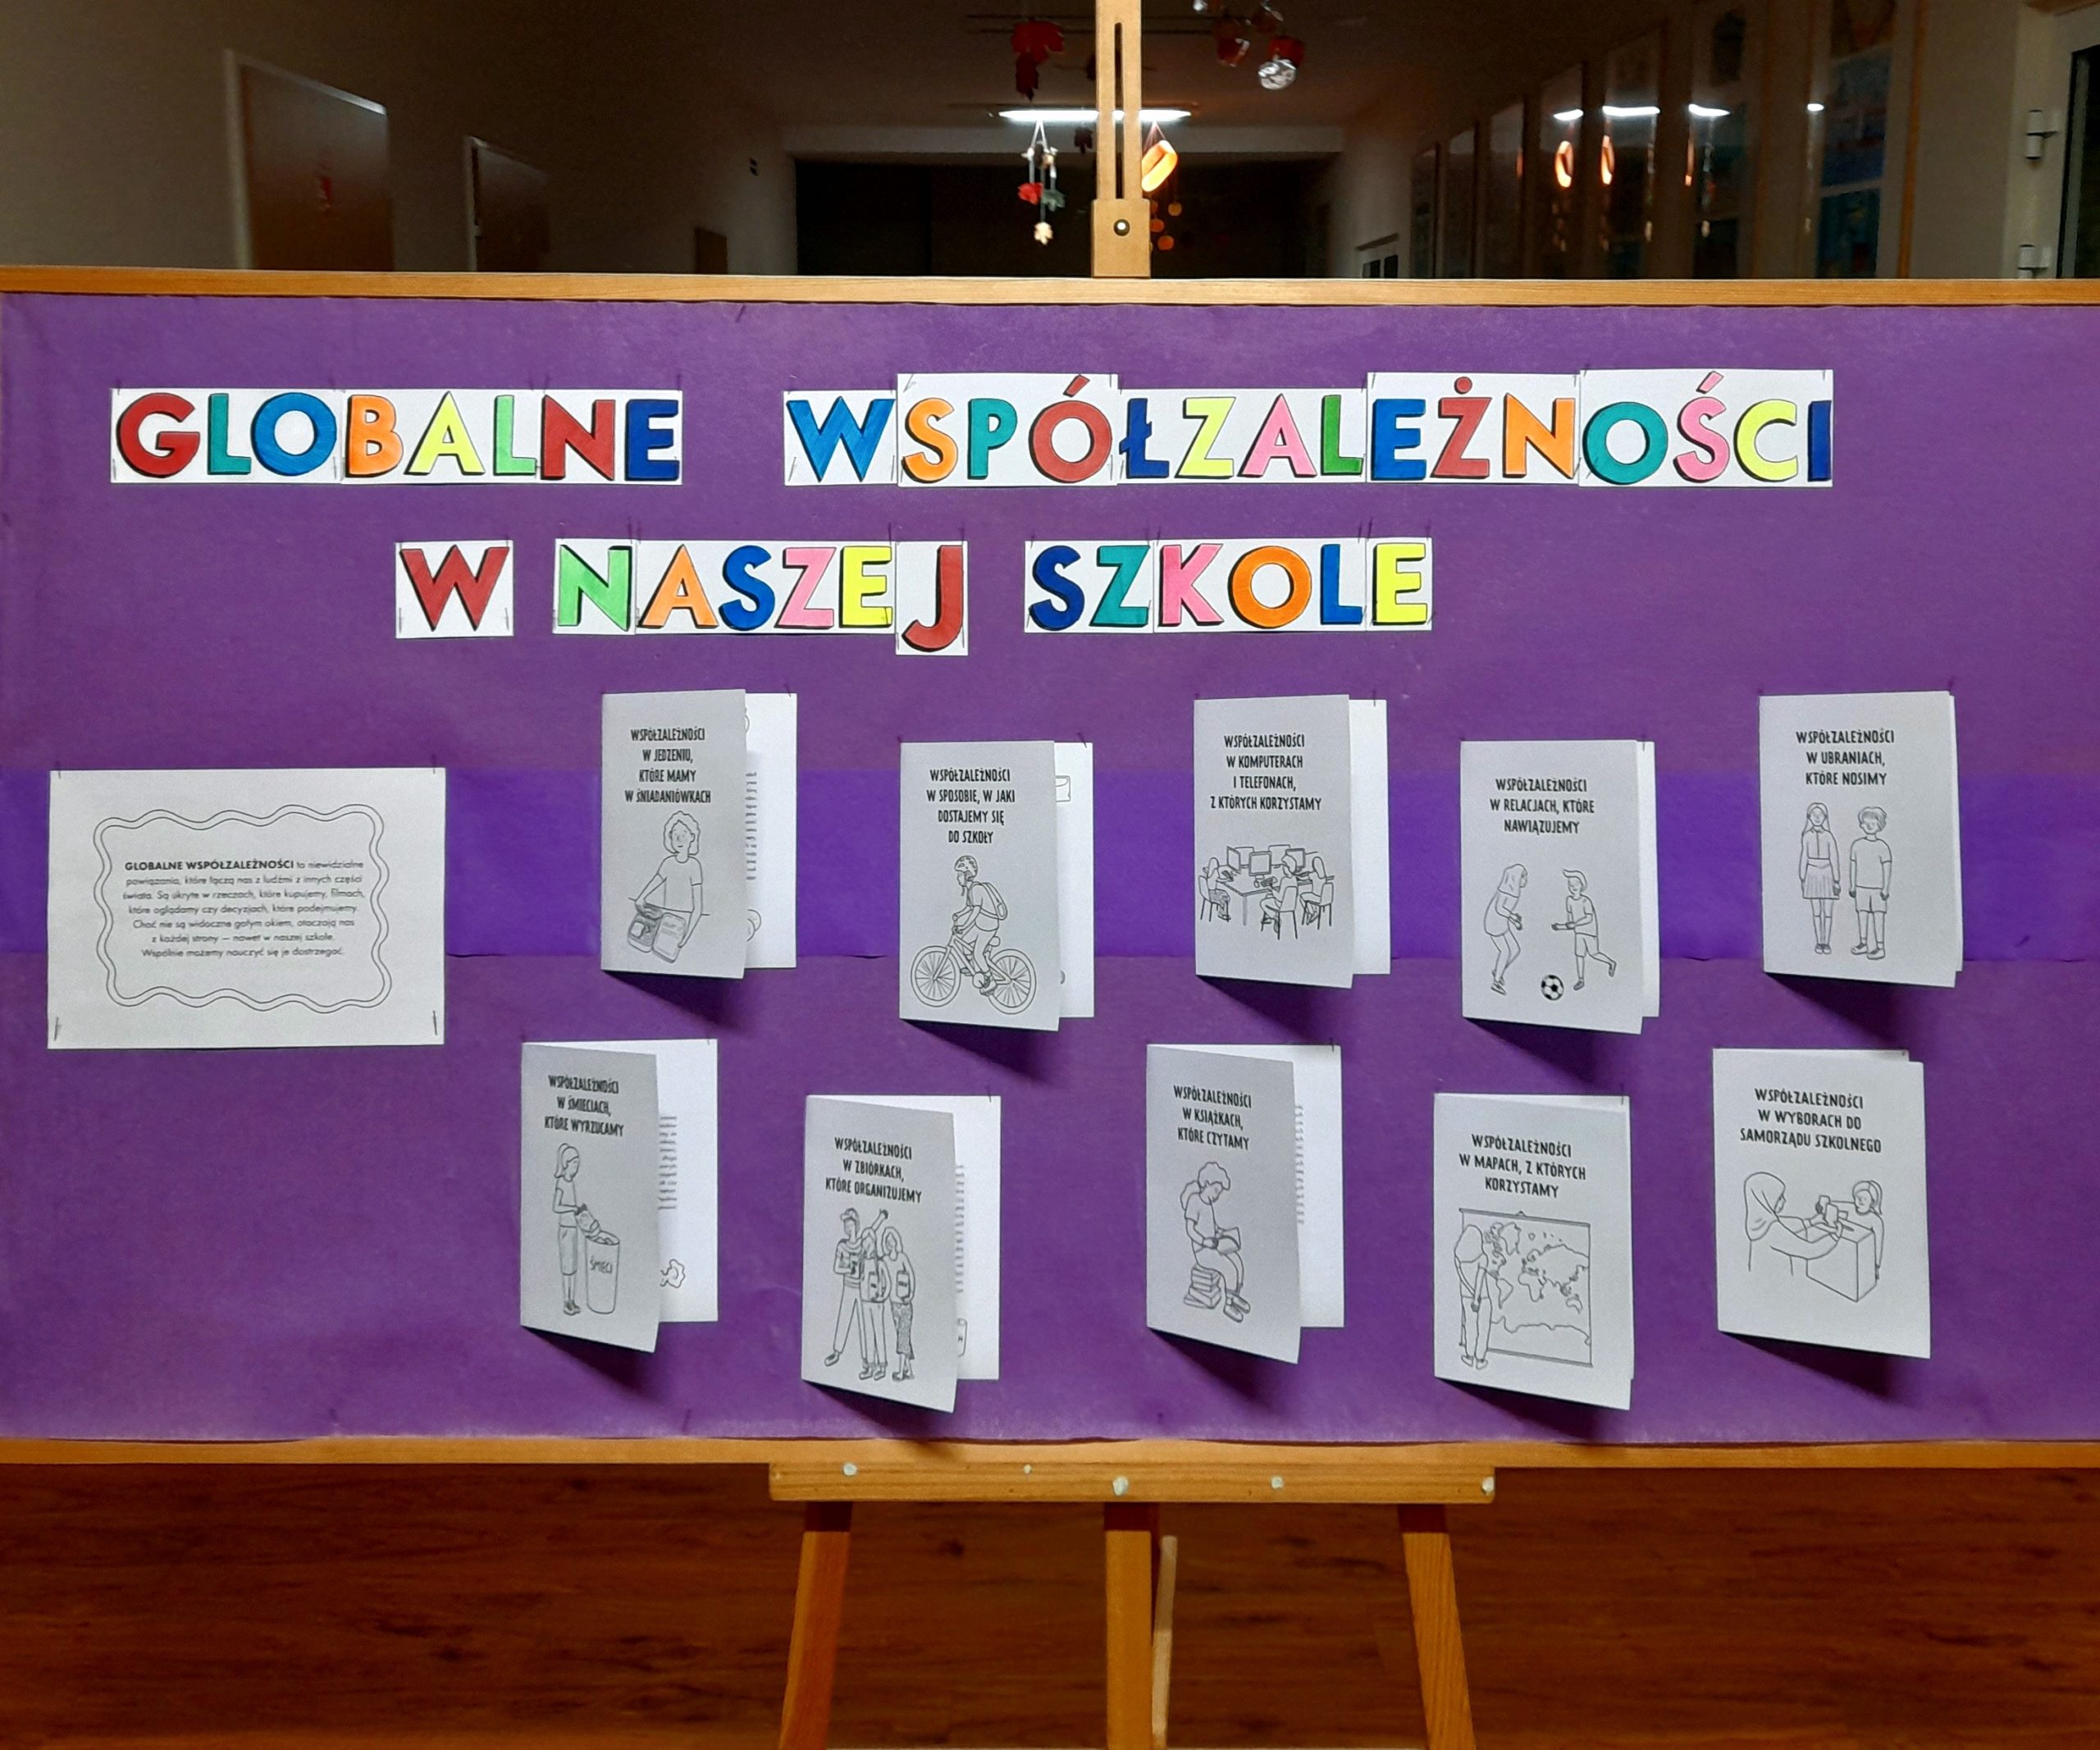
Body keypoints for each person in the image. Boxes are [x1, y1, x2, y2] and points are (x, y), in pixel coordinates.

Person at [1181, 1160, 1249, 1321]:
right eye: (1216, 1190)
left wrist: (1220, 1232)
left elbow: (1210, 1225)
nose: (1217, 1195)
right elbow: (1190, 1229)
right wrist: (1204, 1241)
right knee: (1229, 1269)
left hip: (1213, 1245)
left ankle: (1235, 1295)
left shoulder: (1208, 1204)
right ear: (1207, 1183)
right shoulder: (1194, 1201)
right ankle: (1228, 1305)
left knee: (1237, 1261)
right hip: (1203, 1251)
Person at [634, 811, 705, 957]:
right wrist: (640, 898)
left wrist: (687, 935)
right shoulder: (668, 862)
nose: (679, 838)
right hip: (664, 920)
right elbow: (656, 881)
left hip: (682, 923)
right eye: (675, 834)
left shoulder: (694, 866)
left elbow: (698, 908)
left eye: (684, 833)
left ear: (692, 837)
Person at [1742, 1172, 1840, 1276]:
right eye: (1779, 1198)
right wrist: (1834, 1237)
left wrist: (1811, 1222)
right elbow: (1808, 1250)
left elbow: (1788, 1224)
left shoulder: (1760, 1224)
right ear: (1765, 1199)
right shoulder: (1773, 1230)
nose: (1784, 1201)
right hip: (1776, 1280)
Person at [950, 855, 1009, 994]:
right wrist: (958, 915)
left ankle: (990, 980)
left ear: (967, 875)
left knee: (977, 953)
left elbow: (976, 911)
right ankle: (972, 966)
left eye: (960, 874)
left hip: (988, 926)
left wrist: (964, 926)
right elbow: (968, 908)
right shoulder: (970, 890)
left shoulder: (976, 889)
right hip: (981, 924)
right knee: (964, 940)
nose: (958, 878)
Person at [1551, 870, 1617, 989]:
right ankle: (1581, 980)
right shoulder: (1569, 900)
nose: (1573, 887)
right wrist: (1560, 927)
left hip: (1589, 931)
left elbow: (1589, 918)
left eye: (1576, 884)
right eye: (1571, 884)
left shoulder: (1586, 901)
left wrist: (1575, 924)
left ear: (1582, 885)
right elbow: (1570, 922)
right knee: (1579, 955)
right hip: (1578, 932)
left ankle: (1611, 963)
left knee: (1594, 953)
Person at [1848, 806, 1892, 960]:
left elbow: (1887, 868)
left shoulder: (1883, 847)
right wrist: (1852, 885)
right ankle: (1863, 943)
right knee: (1862, 915)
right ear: (1861, 825)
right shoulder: (1857, 845)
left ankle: (1880, 947)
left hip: (1878, 889)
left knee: (1878, 916)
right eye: (1866, 823)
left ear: (1879, 825)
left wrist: (1886, 888)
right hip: (1861, 887)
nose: (1869, 826)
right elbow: (1853, 866)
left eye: (1873, 823)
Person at [824, 1210, 866, 1366]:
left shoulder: (862, 1244)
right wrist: (848, 1269)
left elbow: (871, 1233)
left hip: (863, 1288)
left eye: (851, 1224)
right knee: (844, 1318)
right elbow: (836, 1267)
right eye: (846, 1225)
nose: (848, 1228)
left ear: (856, 1225)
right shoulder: (842, 1246)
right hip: (848, 1286)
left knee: (864, 1323)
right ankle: (837, 1352)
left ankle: (866, 1358)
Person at [1798, 802, 1840, 954]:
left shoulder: (1829, 836)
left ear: (1825, 817)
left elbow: (1834, 858)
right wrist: (1802, 877)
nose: (1817, 818)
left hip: (1827, 873)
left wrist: (1837, 879)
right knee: (1816, 912)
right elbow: (1804, 856)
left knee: (1828, 912)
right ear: (1809, 817)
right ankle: (1819, 942)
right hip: (1812, 873)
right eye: (1814, 815)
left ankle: (1826, 942)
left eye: (1820, 815)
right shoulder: (1807, 836)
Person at [1483, 864, 1527, 995]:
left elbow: (1506, 910)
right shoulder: (1506, 890)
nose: (1525, 880)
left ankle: (1498, 971)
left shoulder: (1514, 892)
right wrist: (1513, 916)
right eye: (1523, 877)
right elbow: (1500, 908)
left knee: (1515, 949)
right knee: (1505, 951)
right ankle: (1496, 983)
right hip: (1494, 924)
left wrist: (1514, 920)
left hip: (1501, 923)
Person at [1453, 1224, 1491, 1368]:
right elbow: (1479, 1279)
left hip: (1465, 1296)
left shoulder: (1458, 1258)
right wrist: (1476, 1298)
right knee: (1483, 1328)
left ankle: (1469, 1356)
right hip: (1482, 1298)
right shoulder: (1482, 1258)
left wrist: (1470, 1293)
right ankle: (1480, 1360)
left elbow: (1462, 1278)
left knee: (1470, 1326)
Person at [554, 1144, 585, 1314]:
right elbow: (556, 1206)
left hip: (573, 1228)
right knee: (567, 1268)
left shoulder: (571, 1182)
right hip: (565, 1228)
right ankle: (566, 1301)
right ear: (567, 1164)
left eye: (578, 1165)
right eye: (574, 1164)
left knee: (573, 1267)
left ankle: (572, 1300)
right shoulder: (562, 1182)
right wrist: (572, 1208)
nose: (576, 1168)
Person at [883, 1228, 915, 1382]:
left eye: (892, 1240)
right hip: (893, 1304)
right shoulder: (885, 1260)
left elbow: (911, 1275)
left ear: (896, 1241)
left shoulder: (902, 1257)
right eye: (887, 1241)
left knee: (903, 1337)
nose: (890, 1243)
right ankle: (909, 1371)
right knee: (903, 1337)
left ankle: (901, 1372)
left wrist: (911, 1294)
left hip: (905, 1303)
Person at [860, 1226, 891, 1381]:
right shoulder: (862, 1262)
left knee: (879, 1332)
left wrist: (882, 1297)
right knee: (868, 1334)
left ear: (874, 1242)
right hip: (865, 1302)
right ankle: (870, 1365)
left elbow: (888, 1283)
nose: (866, 1245)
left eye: (869, 1241)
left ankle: (882, 1365)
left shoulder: (880, 1263)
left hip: (877, 1302)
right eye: (864, 1242)